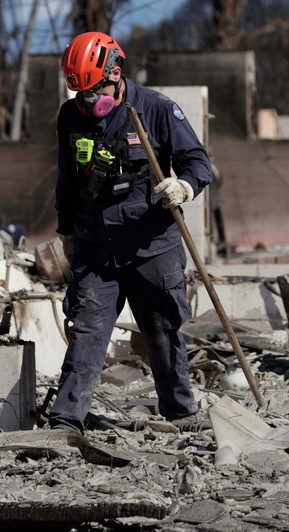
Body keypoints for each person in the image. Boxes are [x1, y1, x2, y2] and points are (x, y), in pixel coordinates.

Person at [50, 31, 212, 433]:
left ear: (116, 74)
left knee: (162, 332)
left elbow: (197, 162)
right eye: (80, 94)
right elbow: (67, 180)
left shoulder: (156, 109)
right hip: (95, 247)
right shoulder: (71, 117)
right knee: (86, 331)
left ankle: (179, 413)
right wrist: (67, 233)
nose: (87, 102)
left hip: (151, 246)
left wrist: (185, 186)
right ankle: (66, 421)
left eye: (93, 92)